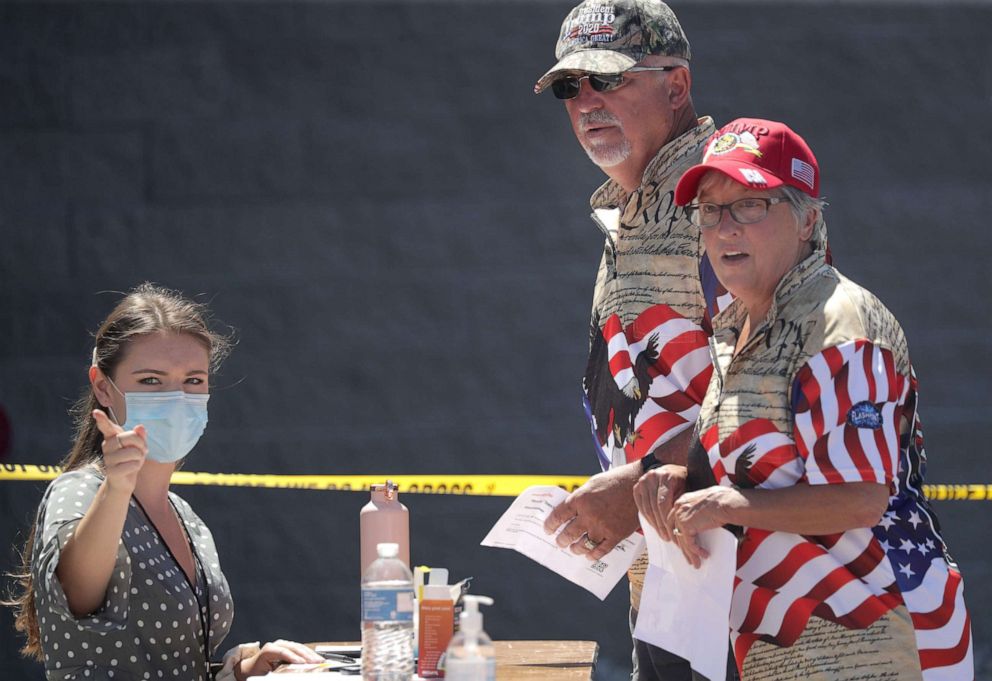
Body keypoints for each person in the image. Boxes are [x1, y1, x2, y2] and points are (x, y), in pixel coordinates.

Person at [635, 118, 973, 679]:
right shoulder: (734, 323)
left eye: (749, 205)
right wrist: (690, 482)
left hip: (877, 637)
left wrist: (725, 506)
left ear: (808, 219)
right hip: (788, 647)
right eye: (711, 210)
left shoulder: (839, 323)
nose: (724, 229)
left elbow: (861, 498)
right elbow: (760, 472)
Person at [532, 1, 724, 678]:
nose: (585, 102)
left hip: (767, 597)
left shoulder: (724, 195)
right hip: (680, 582)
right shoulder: (633, 210)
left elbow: (785, 390)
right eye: (568, 86)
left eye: (608, 79)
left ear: (676, 86)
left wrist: (638, 484)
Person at [7, 283, 324, 680]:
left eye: (193, 380)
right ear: (104, 387)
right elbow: (78, 595)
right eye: (152, 381)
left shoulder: (185, 517)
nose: (177, 397)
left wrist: (241, 671)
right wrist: (117, 489)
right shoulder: (80, 491)